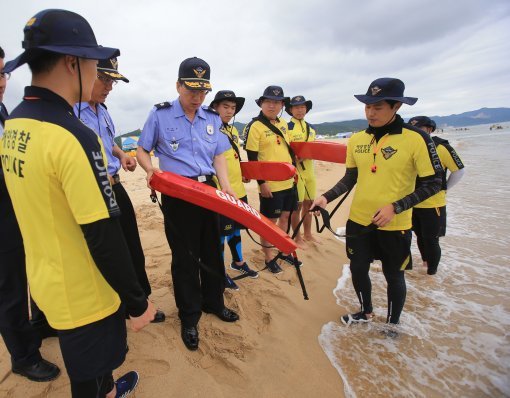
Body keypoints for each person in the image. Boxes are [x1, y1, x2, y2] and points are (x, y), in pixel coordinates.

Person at [1, 10, 156, 397]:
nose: (97, 72)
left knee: (89, 369)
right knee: (88, 376)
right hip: (86, 292)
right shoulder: (72, 136)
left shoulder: (15, 123)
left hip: (46, 279)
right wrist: (137, 303)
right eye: (92, 62)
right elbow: (102, 233)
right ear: (73, 63)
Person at [312, 78, 443, 329]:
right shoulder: (357, 139)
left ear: (396, 107)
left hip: (395, 224)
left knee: (393, 275)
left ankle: (392, 324)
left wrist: (396, 207)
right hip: (359, 220)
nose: (370, 112)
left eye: (378, 107)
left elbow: (434, 183)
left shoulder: (417, 139)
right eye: (367, 106)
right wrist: (325, 198)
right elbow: (351, 177)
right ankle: (365, 312)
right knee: (358, 269)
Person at [137, 57, 239, 351]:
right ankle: (190, 315)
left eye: (202, 91)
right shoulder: (160, 115)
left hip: (208, 190)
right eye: (191, 90)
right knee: (185, 256)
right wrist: (150, 170)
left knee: (212, 249)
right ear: (178, 86)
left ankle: (213, 302)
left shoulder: (211, 117)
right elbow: (144, 150)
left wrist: (227, 186)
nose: (197, 97)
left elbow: (219, 155)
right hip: (179, 193)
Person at [74, 57, 165, 322]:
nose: (109, 87)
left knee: (131, 246)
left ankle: (139, 302)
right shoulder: (71, 111)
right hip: (92, 189)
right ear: (86, 74)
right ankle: (114, 307)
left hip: (115, 184)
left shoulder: (102, 109)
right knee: (106, 250)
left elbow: (107, 140)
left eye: (112, 81)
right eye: (104, 79)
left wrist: (121, 154)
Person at [1, 45, 60, 383]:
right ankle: (23, 357)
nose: (1, 81)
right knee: (9, 289)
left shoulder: (4, 111)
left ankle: (41, 323)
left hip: (19, 208)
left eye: (3, 73)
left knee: (35, 266)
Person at [244, 86, 300, 274]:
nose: (272, 106)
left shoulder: (283, 124)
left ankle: (282, 250)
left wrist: (294, 172)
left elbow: (288, 149)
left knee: (286, 217)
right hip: (270, 184)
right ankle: (268, 257)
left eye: (276, 102)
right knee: (270, 222)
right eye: (268, 102)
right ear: (261, 103)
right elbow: (252, 158)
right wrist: (262, 183)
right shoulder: (255, 126)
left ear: (282, 105)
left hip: (289, 181)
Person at [209, 90, 258, 291]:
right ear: (215, 107)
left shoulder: (233, 130)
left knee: (237, 229)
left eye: (233, 108)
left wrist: (243, 172)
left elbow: (234, 157)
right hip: (221, 191)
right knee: (221, 233)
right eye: (225, 107)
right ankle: (220, 271)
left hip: (238, 188)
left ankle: (237, 262)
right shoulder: (209, 129)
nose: (230, 111)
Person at [408, 116, 465, 275]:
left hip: (433, 204)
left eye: (420, 128)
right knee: (419, 236)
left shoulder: (441, 147)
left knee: (431, 239)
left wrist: (445, 188)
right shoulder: (410, 147)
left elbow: (459, 170)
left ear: (429, 129)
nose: (416, 132)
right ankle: (426, 263)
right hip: (412, 202)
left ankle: (431, 274)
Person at [285, 95, 318, 245]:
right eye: (296, 107)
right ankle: (297, 237)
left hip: (310, 172)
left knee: (309, 205)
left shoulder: (311, 129)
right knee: (296, 207)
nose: (300, 110)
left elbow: (316, 148)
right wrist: (296, 157)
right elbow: (284, 151)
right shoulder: (286, 127)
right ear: (290, 109)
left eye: (303, 107)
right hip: (295, 174)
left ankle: (308, 234)